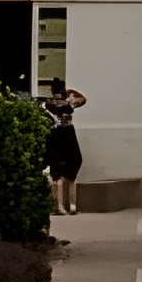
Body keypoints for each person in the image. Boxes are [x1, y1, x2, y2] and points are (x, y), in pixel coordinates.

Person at [41, 74, 87, 216]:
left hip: (55, 135)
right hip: (68, 135)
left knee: (57, 173)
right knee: (73, 168)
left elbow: (42, 109)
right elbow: (83, 100)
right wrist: (70, 94)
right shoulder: (68, 104)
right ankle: (72, 205)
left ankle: (59, 206)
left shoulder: (48, 105)